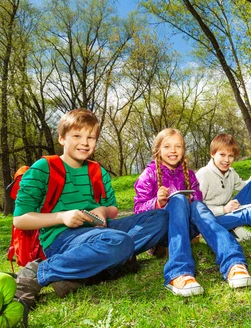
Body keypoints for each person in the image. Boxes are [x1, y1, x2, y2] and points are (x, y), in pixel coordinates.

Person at [13, 109, 168, 307]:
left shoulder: (97, 171)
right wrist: (62, 217)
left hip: (102, 230)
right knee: (119, 242)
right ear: (62, 138)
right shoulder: (42, 169)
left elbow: (112, 209)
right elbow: (20, 219)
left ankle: (86, 273)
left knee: (160, 218)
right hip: (62, 239)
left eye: (91, 137)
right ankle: (39, 272)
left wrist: (102, 212)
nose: (85, 143)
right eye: (77, 136)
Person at [134, 128, 251, 297]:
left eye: (178, 146)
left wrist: (190, 200)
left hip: (188, 227)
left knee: (197, 205)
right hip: (164, 233)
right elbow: (138, 209)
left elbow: (197, 197)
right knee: (178, 200)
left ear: (183, 150)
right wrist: (158, 202)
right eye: (167, 146)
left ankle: (233, 262)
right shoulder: (149, 174)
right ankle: (178, 272)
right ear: (158, 150)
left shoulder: (189, 174)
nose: (173, 150)